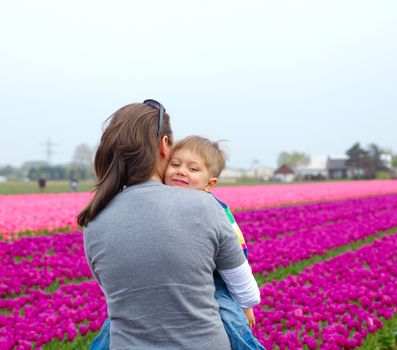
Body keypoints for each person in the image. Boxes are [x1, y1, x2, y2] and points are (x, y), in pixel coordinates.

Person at [78, 100, 261, 349]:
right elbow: (247, 295)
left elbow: (121, 293)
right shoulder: (205, 206)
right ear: (164, 146)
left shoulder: (94, 220)